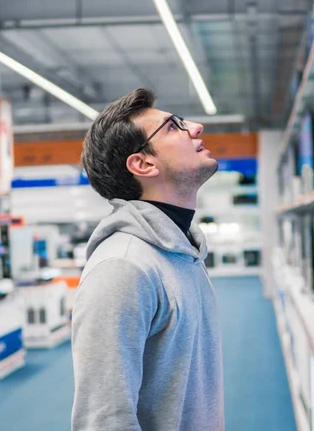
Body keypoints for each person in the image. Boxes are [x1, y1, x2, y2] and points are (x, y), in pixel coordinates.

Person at [71, 88, 225, 431]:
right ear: (143, 163)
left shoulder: (183, 252)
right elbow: (103, 422)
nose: (196, 128)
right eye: (173, 127)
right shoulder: (123, 268)